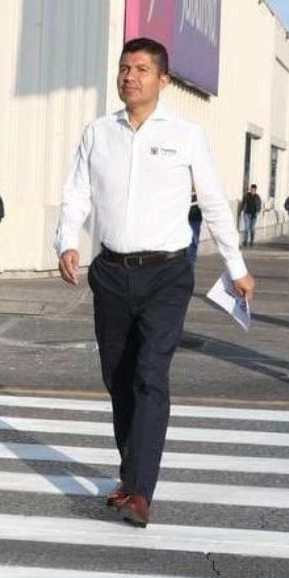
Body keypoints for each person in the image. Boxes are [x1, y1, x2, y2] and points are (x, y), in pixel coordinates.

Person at [55, 37, 256, 527]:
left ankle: (141, 490)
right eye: (125, 68)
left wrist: (237, 264)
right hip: (110, 271)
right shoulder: (98, 132)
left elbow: (212, 201)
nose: (130, 77)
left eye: (142, 69)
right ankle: (131, 474)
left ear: (163, 80)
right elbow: (76, 193)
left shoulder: (186, 134)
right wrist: (65, 241)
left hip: (166, 273)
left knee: (150, 375)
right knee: (118, 378)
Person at [188, 192, 203, 264]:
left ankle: (192, 260)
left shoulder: (198, 192)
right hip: (189, 219)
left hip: (198, 219)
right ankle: (191, 261)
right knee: (193, 241)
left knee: (196, 242)